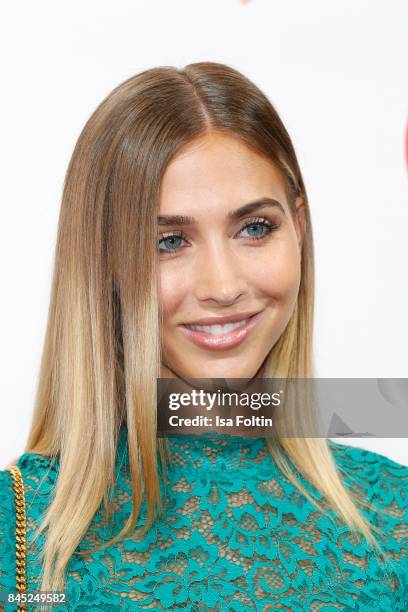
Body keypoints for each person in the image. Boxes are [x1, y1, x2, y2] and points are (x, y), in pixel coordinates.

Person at [0, 61, 407, 611]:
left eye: (254, 228)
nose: (223, 286)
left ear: (300, 228)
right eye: (169, 241)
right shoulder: (20, 536)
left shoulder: (395, 518)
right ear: (103, 266)